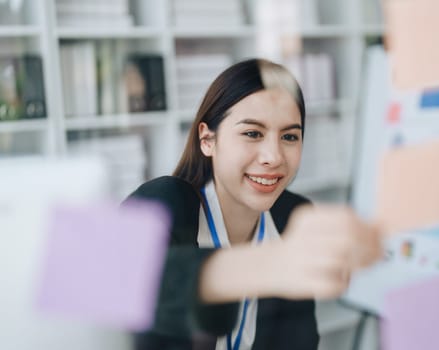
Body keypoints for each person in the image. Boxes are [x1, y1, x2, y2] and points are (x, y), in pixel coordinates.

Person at [125, 58, 382, 350]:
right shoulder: (163, 203)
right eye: (252, 133)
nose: (273, 156)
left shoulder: (292, 216)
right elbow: (119, 287)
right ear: (208, 140)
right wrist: (272, 264)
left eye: (289, 136)